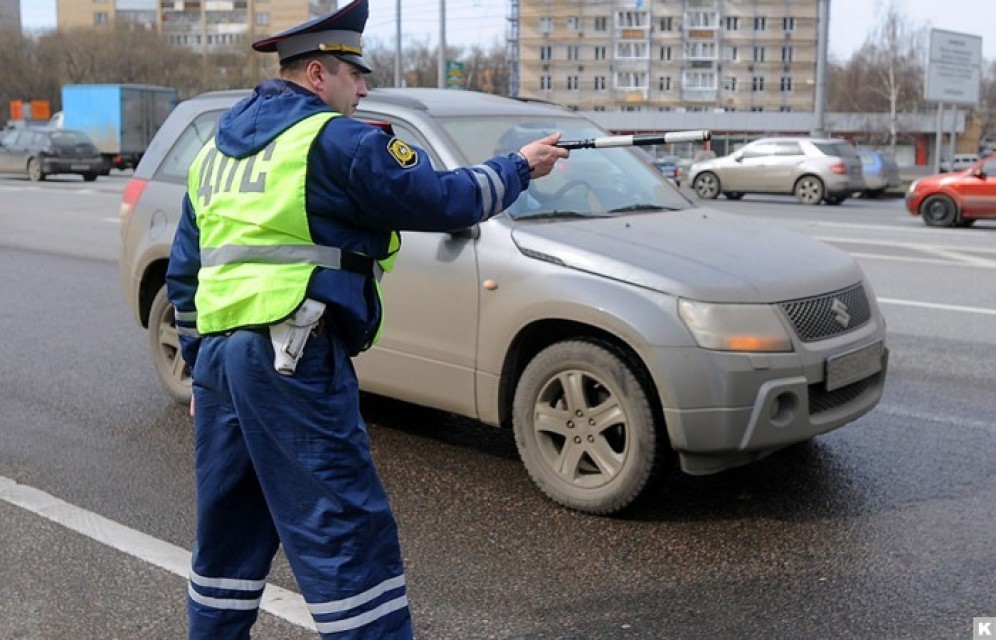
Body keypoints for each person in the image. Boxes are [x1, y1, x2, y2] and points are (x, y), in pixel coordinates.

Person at [165, 1, 568, 638]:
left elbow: (185, 272)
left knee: (228, 531)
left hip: (219, 362)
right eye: (357, 76)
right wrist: (520, 167)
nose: (366, 88)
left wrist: (196, 367)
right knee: (343, 527)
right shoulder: (337, 139)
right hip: (292, 353)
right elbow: (445, 199)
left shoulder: (216, 151)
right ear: (319, 74)